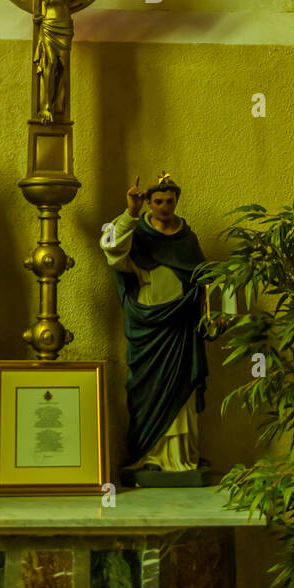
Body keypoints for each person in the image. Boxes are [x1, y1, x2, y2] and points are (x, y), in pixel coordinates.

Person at [100, 173, 216, 474]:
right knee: (147, 389)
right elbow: (110, 248)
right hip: (148, 324)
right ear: (148, 203)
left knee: (182, 389)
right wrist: (130, 214)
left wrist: (212, 311)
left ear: (176, 201)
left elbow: (203, 278)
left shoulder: (187, 239)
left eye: (170, 201)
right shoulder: (137, 233)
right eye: (158, 201)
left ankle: (182, 458)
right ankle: (149, 456)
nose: (165, 206)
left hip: (182, 326)